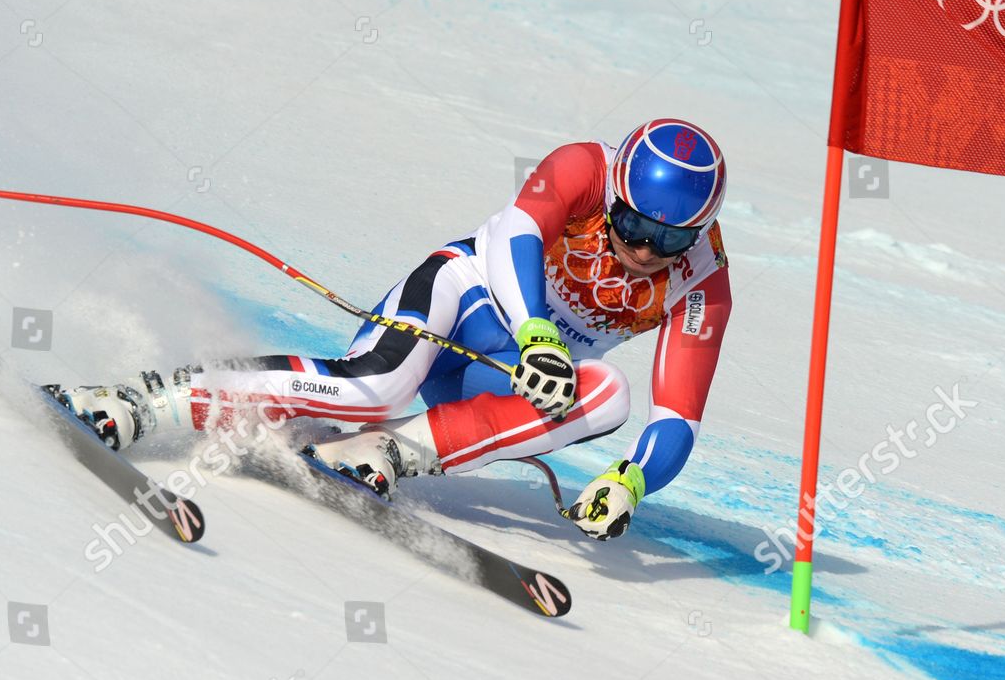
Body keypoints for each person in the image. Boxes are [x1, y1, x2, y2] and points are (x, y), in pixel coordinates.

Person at [54, 118, 731, 541]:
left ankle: (385, 453)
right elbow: (513, 236)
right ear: (614, 194)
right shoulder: (582, 167)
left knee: (608, 394)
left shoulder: (701, 279)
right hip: (465, 297)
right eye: (634, 224)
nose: (644, 249)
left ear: (697, 233)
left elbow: (680, 415)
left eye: (668, 237)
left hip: (505, 373)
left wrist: (632, 482)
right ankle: (143, 399)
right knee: (370, 389)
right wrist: (537, 335)